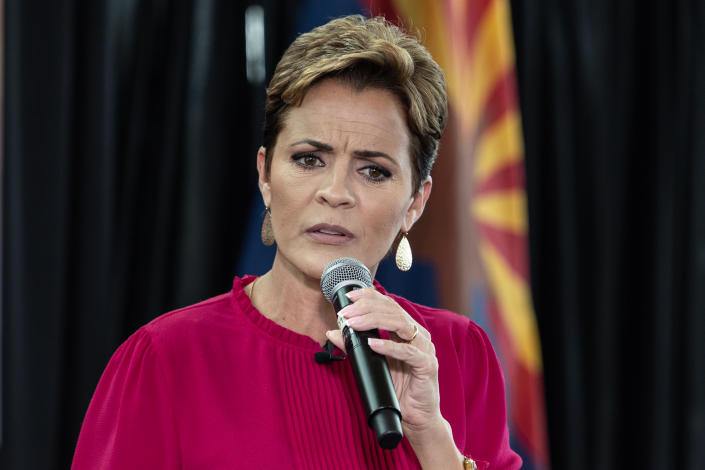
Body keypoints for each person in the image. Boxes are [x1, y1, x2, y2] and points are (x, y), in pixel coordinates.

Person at [72, 15, 521, 470]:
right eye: (309, 159)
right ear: (265, 176)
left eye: (374, 171)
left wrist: (431, 438)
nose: (336, 192)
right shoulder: (166, 359)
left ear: (414, 202)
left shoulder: (459, 353)